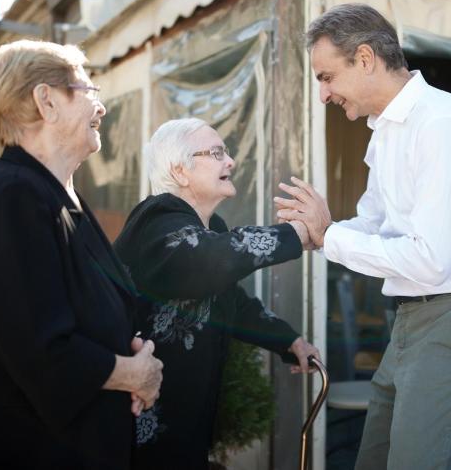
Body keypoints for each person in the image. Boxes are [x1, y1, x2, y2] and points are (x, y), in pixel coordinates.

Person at [275, 3, 451, 469]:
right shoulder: (388, 130)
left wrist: (329, 235)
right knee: (375, 458)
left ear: (365, 58)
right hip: (417, 315)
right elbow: (374, 224)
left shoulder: (443, 122)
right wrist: (312, 235)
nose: (324, 94)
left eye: (327, 77)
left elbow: (431, 259)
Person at [0, 40, 163, 470]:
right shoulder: (11, 198)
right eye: (90, 91)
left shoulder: (56, 194)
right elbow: (42, 350)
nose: (101, 108)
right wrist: (132, 373)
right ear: (46, 101)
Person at [113, 118, 321, 470]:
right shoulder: (156, 221)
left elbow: (232, 303)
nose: (231, 161)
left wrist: (288, 341)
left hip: (186, 416)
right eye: (216, 153)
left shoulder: (209, 229)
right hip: (141, 424)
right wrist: (297, 233)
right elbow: (214, 259)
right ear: (180, 171)